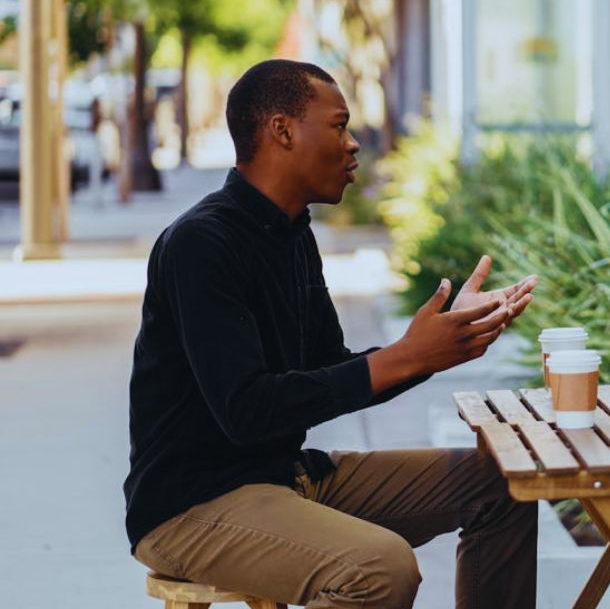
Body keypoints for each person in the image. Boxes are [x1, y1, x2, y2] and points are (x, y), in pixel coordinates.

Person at [123, 59, 540, 609]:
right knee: (380, 568)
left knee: (505, 482)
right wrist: (410, 355)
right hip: (191, 505)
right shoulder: (200, 244)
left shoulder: (293, 232)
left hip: (284, 478)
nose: (353, 145)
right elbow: (246, 410)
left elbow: (329, 367)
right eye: (340, 124)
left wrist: (434, 349)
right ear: (283, 130)